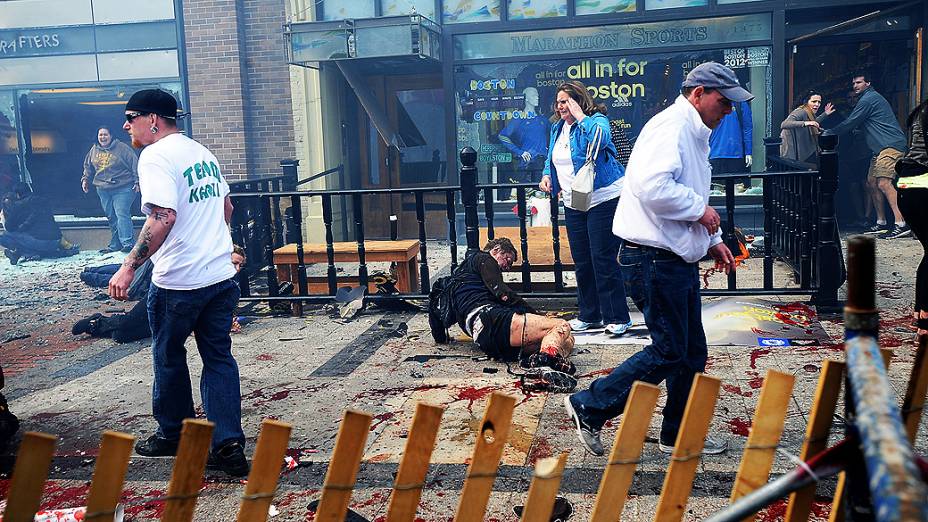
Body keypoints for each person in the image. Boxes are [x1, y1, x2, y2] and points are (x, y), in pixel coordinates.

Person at [563, 62, 745, 457]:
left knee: (691, 350)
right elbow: (651, 186)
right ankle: (590, 405)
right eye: (723, 100)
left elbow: (687, 188)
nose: (728, 110)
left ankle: (676, 434)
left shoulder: (693, 130)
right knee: (669, 349)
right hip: (653, 258)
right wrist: (700, 213)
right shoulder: (673, 127)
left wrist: (712, 237)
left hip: (669, 257)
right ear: (698, 93)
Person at [107, 89, 247, 476]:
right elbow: (227, 207)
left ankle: (175, 434)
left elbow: (163, 216)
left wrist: (129, 267)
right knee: (218, 357)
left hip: (179, 283)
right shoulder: (201, 152)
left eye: (131, 116)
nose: (125, 125)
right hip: (219, 278)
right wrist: (216, 246)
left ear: (153, 119)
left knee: (168, 356)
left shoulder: (154, 156)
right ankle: (229, 445)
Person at [538, 80, 632, 336]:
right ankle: (590, 314)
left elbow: (600, 140)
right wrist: (547, 175)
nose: (560, 107)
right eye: (558, 102)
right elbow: (551, 158)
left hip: (602, 198)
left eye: (565, 101)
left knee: (602, 258)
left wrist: (581, 116)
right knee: (582, 260)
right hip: (573, 200)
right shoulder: (558, 128)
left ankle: (618, 317)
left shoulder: (596, 121)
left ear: (579, 101)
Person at [432, 238, 577, 388]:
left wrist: (441, 338)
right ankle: (545, 362)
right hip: (490, 318)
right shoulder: (484, 258)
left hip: (485, 340)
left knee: (567, 340)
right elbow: (503, 294)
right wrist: (537, 315)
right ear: (496, 250)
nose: (508, 266)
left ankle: (541, 361)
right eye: (508, 259)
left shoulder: (454, 282)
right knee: (561, 325)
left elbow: (435, 313)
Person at [74, 248, 245, 343]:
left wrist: (228, 322)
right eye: (234, 263)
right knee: (126, 326)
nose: (236, 269)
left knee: (122, 335)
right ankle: (97, 322)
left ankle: (105, 325)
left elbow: (221, 312)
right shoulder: (206, 270)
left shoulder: (230, 285)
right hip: (166, 291)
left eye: (240, 266)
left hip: (179, 313)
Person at [823, 72, 909, 239]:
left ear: (868, 83)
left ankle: (901, 223)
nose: (855, 86)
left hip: (890, 146)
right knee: (871, 183)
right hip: (879, 149)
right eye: (854, 83)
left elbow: (851, 122)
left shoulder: (868, 99)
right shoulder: (868, 99)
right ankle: (881, 222)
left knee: (884, 183)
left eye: (859, 82)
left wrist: (830, 132)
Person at [895, 98, 928, 336]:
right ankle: (925, 320)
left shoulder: (922, 110)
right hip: (921, 185)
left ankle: (920, 313)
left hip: (909, 184)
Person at [82, 126, 139, 253]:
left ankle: (128, 243)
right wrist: (85, 179)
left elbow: (134, 163)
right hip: (103, 188)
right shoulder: (94, 149)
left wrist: (137, 181)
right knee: (111, 216)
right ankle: (115, 244)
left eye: (105, 135)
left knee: (121, 213)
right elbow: (88, 165)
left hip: (123, 187)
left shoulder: (122, 148)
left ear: (111, 136)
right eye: (100, 135)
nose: (103, 137)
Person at [1, 182, 77, 264]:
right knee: (27, 238)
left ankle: (28, 253)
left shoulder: (18, 205)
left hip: (39, 242)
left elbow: (9, 227)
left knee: (5, 236)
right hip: (57, 239)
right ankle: (21, 253)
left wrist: (4, 216)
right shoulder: (42, 200)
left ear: (17, 194)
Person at [498, 87, 549, 184]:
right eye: (534, 95)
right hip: (527, 164)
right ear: (526, 98)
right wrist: (519, 152)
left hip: (543, 165)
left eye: (537, 95)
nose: (537, 97)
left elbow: (554, 134)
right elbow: (502, 136)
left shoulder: (542, 119)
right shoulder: (519, 119)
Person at [779, 91, 836, 164]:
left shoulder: (809, 113)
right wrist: (806, 123)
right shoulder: (801, 111)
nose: (817, 104)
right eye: (814, 101)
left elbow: (813, 123)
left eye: (819, 102)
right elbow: (784, 124)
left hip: (801, 152)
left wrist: (825, 114)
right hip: (793, 153)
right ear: (806, 102)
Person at [709, 99, 753, 175]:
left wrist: (748, 152)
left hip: (734, 153)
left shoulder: (740, 103)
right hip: (716, 153)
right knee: (718, 185)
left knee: (735, 185)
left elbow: (747, 128)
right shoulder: (712, 101)